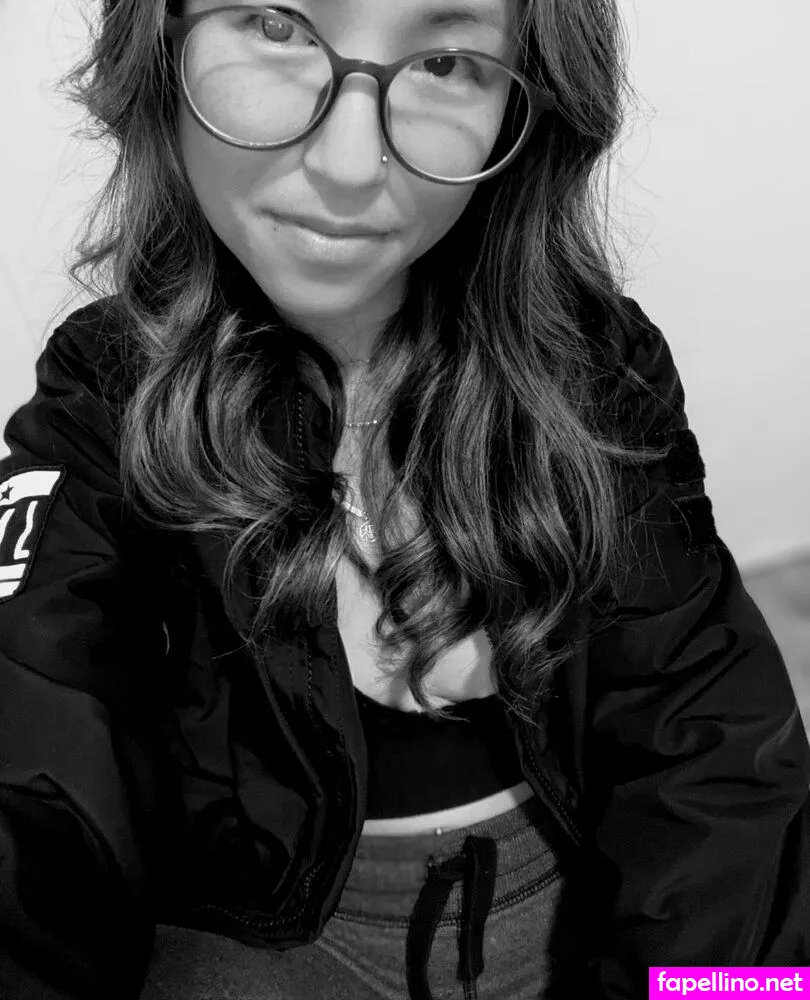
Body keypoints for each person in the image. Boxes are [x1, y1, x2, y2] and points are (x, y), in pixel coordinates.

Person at [1, 0, 808, 997]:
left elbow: (716, 767)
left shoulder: (597, 368)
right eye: (277, 26)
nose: (349, 166)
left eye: (446, 63)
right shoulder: (104, 400)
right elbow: (36, 772)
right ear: (161, 44)